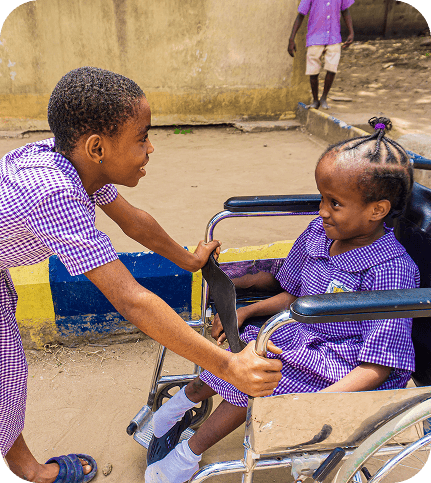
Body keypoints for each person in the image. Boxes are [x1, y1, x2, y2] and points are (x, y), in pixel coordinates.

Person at [0, 67, 283, 483]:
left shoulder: (75, 163)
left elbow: (133, 221)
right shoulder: (56, 192)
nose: (150, 148)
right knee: (6, 379)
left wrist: (190, 261)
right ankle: (33, 473)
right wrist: (227, 365)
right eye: (141, 137)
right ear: (98, 147)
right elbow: (132, 300)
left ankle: (26, 468)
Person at [145, 117, 420, 483]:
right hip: (301, 337)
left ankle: (186, 454)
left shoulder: (392, 271)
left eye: (334, 203)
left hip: (346, 368)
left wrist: (314, 406)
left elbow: (379, 366)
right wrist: (249, 310)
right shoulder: (319, 234)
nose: (321, 210)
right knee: (246, 356)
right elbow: (293, 292)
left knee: (259, 374)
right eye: (322, 197)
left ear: (377, 210)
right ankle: (181, 405)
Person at [288, 0, 355, 110]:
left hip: (334, 37)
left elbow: (345, 10)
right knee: (313, 70)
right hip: (315, 37)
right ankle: (315, 100)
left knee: (332, 67)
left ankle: (323, 97)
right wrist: (291, 38)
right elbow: (301, 15)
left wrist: (351, 32)